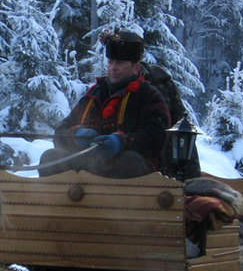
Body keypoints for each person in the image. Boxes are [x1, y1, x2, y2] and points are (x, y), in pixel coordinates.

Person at [40, 29, 170, 178]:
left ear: (136, 67)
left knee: (129, 161)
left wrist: (122, 142)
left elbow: (157, 137)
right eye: (111, 62)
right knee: (50, 158)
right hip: (88, 164)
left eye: (120, 63)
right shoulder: (92, 95)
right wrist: (76, 134)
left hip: (125, 167)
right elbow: (60, 132)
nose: (113, 67)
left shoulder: (149, 95)